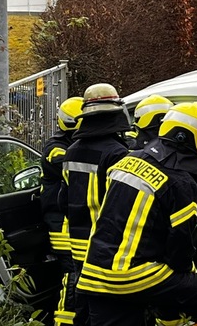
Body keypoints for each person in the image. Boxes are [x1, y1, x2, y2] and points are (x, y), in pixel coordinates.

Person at [76, 102, 197, 326]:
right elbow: (179, 253)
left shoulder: (125, 162)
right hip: (135, 276)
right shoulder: (180, 183)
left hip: (93, 275)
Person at [56, 83, 132, 326]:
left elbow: (62, 201)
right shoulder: (118, 154)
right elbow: (122, 208)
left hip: (78, 246)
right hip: (106, 248)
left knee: (83, 306)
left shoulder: (71, 152)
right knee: (107, 311)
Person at [40, 96, 83, 322]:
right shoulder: (55, 149)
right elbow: (71, 164)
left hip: (70, 218)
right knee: (71, 273)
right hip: (60, 222)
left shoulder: (68, 145)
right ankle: (64, 320)